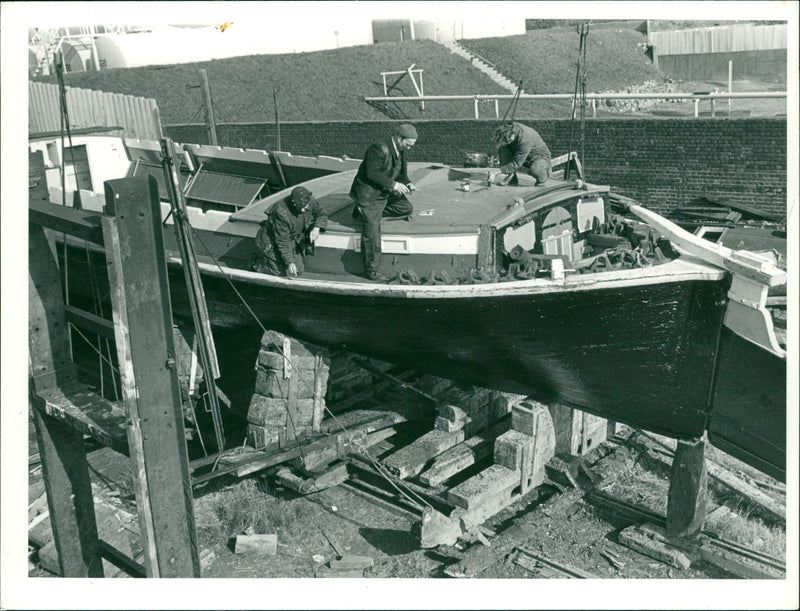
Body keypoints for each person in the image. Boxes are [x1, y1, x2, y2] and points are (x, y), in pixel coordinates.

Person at [350, 123, 418, 281]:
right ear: (399, 138)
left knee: (406, 208)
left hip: (383, 191)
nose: (409, 149)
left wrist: (408, 183)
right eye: (408, 145)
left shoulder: (401, 150)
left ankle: (364, 212)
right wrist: (394, 185)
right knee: (372, 230)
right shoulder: (378, 148)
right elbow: (371, 173)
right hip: (368, 193)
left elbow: (401, 174)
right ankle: (372, 269)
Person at [252, 186, 327, 277]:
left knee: (298, 270)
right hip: (272, 239)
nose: (304, 210)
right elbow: (282, 241)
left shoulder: (310, 200)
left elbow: (321, 213)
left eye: (306, 207)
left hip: (291, 238)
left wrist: (317, 228)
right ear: (294, 203)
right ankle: (257, 263)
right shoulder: (281, 211)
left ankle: (276, 261)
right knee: (282, 272)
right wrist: (289, 262)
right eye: (301, 208)